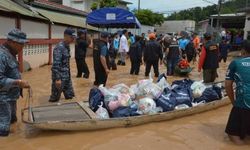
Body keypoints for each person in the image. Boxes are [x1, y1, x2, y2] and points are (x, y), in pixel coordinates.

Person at [0, 28, 30, 136]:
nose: (23, 47)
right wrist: (18, 82)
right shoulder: (1, 55)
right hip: (3, 100)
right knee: (3, 130)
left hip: (11, 98)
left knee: (13, 122)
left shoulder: (10, 54)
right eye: (21, 44)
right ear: (11, 42)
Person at [225, 40, 250, 145]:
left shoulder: (236, 63)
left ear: (243, 51)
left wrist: (234, 102)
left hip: (243, 103)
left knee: (233, 135)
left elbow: (227, 85)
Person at [49, 28, 76, 102]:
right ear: (65, 36)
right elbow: (55, 65)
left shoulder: (67, 46)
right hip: (60, 78)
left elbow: (66, 63)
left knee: (70, 97)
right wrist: (57, 79)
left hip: (67, 77)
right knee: (54, 99)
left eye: (74, 38)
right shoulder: (59, 48)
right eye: (71, 38)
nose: (73, 40)